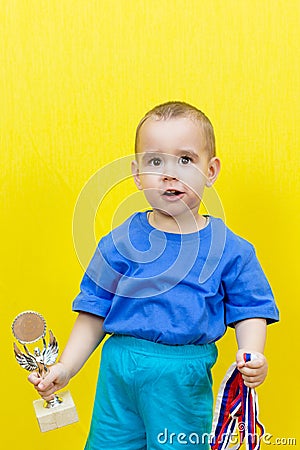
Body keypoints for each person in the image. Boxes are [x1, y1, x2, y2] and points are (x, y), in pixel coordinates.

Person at [28, 101, 279, 449]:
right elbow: (94, 311)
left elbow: (250, 308)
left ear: (211, 170)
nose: (169, 173)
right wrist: (66, 368)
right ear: (136, 173)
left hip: (180, 378)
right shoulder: (117, 242)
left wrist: (252, 354)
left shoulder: (230, 249)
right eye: (155, 161)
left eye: (186, 160)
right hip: (117, 371)